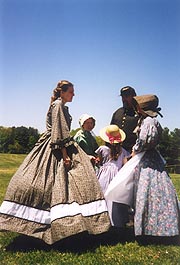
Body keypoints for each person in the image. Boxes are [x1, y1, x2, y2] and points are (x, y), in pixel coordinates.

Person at [0, 80, 111, 245]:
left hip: (62, 144)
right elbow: (58, 132)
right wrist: (65, 155)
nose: (73, 95)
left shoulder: (62, 106)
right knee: (52, 183)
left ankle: (66, 222)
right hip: (56, 147)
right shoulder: (58, 105)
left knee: (71, 184)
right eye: (71, 92)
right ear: (63, 92)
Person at [106, 94, 180, 238]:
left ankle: (154, 227)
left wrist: (134, 152)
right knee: (147, 192)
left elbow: (146, 141)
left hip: (147, 160)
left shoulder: (149, 121)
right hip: (148, 158)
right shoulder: (148, 120)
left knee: (148, 191)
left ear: (142, 107)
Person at [95, 124, 130, 227]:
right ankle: (117, 221)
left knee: (104, 196)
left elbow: (99, 162)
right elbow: (125, 163)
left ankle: (103, 221)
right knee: (115, 198)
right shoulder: (122, 150)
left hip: (104, 175)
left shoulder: (102, 149)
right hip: (117, 175)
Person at [111, 86, 139, 153]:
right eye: (122, 97)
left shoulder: (139, 113)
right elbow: (110, 133)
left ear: (134, 97)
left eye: (126, 96)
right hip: (116, 152)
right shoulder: (117, 113)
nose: (124, 99)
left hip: (133, 153)